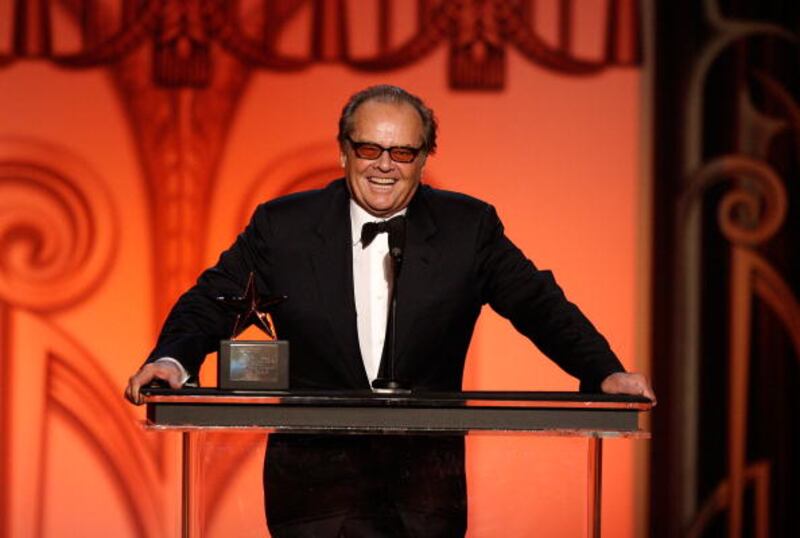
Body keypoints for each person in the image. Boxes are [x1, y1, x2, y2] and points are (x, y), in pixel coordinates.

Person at [126, 84, 655, 536]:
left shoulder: (467, 229)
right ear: (343, 152)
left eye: (403, 152)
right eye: (369, 148)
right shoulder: (284, 226)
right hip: (314, 498)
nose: (385, 165)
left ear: (424, 159)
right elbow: (212, 299)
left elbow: (539, 304)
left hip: (422, 498)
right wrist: (172, 360)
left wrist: (603, 371)